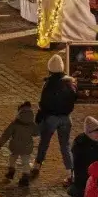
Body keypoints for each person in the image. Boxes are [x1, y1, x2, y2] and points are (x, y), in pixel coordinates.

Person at [34, 54, 79, 185]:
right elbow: (74, 97)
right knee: (65, 145)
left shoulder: (48, 84)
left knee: (44, 142)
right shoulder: (70, 82)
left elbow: (43, 103)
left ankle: (37, 165)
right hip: (66, 118)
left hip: (51, 118)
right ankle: (70, 173)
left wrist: (40, 115)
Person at [0, 100, 39, 185]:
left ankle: (11, 172)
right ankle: (25, 177)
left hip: (15, 146)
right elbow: (36, 133)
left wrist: (0, 143)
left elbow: (6, 134)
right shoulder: (32, 124)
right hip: (27, 147)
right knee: (26, 162)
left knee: (12, 158)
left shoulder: (15, 123)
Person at [71, 116, 98, 197]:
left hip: (95, 181)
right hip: (83, 182)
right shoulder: (81, 145)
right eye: (94, 132)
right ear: (87, 133)